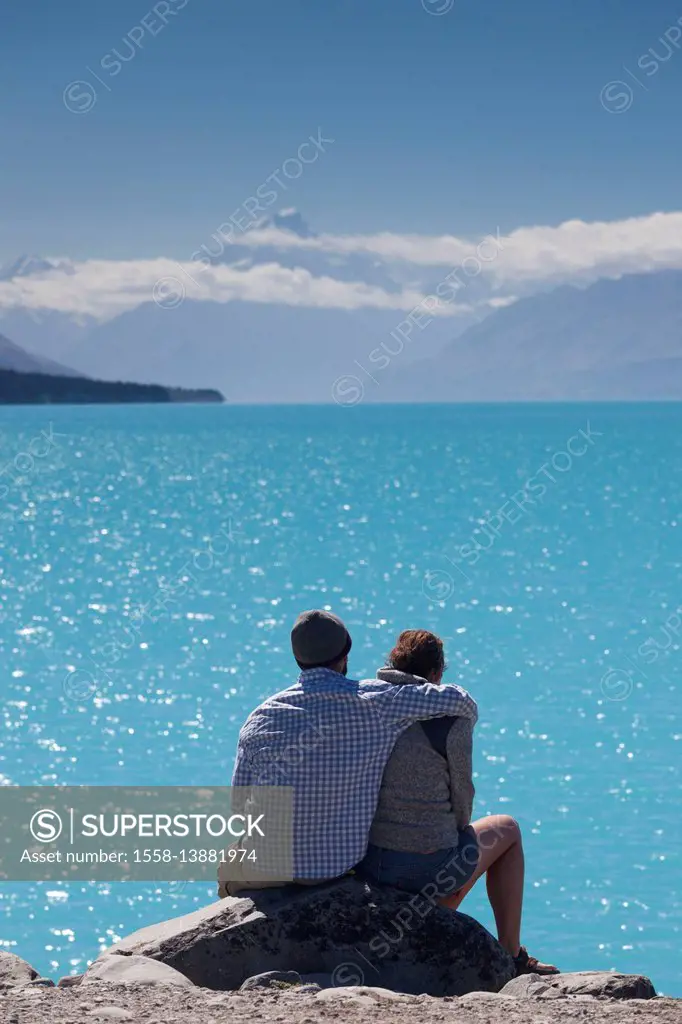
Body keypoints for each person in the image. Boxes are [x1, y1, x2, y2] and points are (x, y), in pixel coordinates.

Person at [225, 610, 478, 894]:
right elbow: (459, 701)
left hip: (269, 866)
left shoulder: (261, 717)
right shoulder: (376, 703)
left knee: (226, 865)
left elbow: (239, 808)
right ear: (346, 654)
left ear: (297, 658)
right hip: (335, 867)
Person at [357, 629, 559, 976]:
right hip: (425, 871)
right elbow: (462, 800)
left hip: (369, 864)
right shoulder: (450, 716)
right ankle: (511, 954)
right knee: (506, 829)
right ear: (437, 673)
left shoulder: (365, 706)